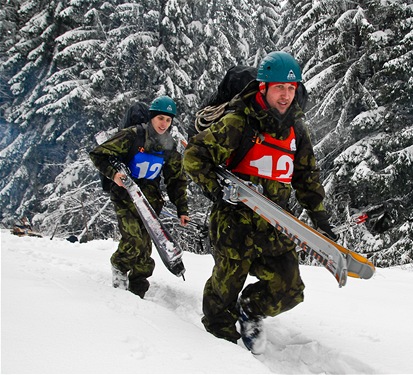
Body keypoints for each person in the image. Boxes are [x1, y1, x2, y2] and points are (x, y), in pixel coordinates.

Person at [183, 51, 336, 353]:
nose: (286, 95)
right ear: (263, 87)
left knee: (289, 289)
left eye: (291, 89)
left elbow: (306, 177)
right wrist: (216, 191)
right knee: (222, 296)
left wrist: (320, 220)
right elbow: (194, 157)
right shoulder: (238, 122)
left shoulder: (297, 130)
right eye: (279, 87)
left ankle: (250, 310)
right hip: (234, 223)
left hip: (275, 222)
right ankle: (219, 350)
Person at [90, 96, 189, 298]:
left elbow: (176, 179)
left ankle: (138, 289)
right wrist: (114, 174)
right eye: (160, 118)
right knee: (133, 240)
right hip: (125, 196)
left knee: (145, 250)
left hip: (150, 201)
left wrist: (182, 209)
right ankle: (119, 265)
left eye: (168, 120)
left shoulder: (169, 146)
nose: (164, 124)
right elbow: (98, 154)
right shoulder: (132, 135)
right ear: (152, 117)